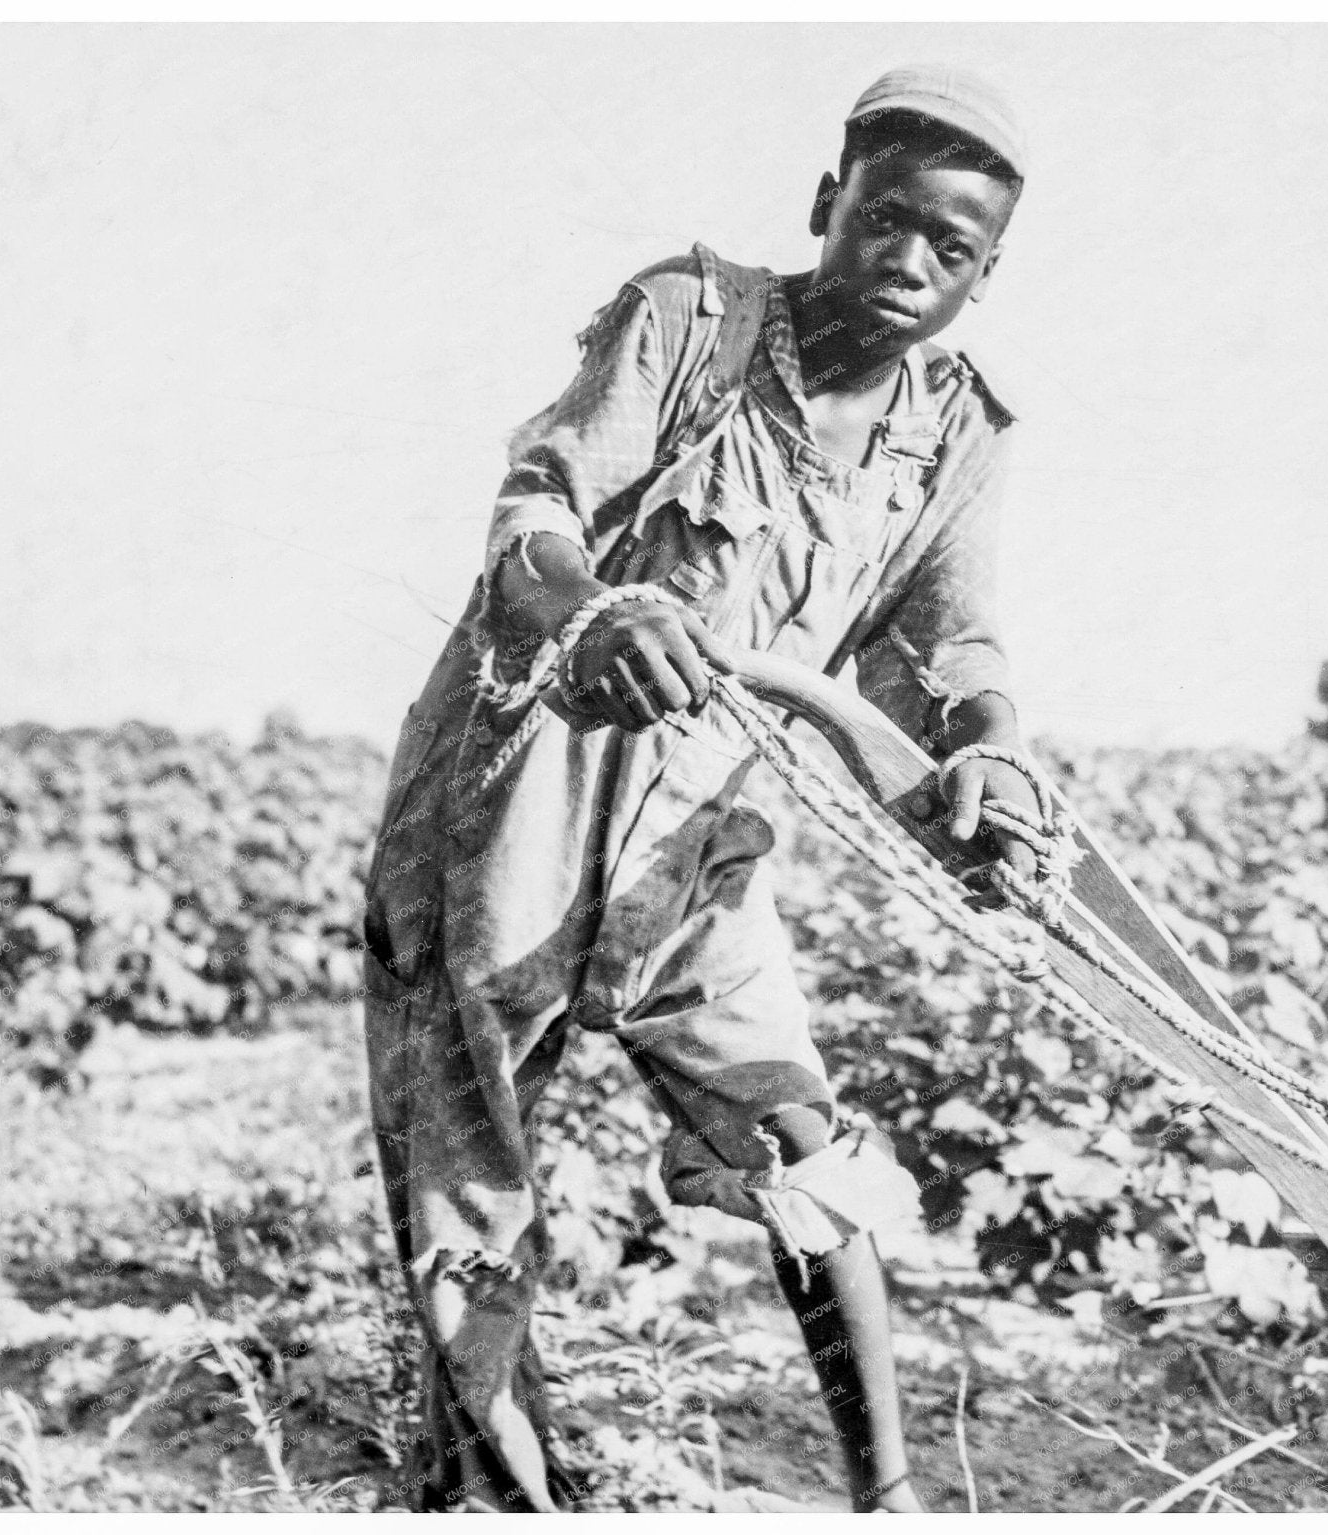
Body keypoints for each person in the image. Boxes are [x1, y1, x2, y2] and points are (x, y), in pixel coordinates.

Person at [360, 65, 1039, 1512]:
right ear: (828, 203)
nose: (909, 263)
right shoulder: (691, 320)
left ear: (986, 275)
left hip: (703, 829)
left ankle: (889, 1501)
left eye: (953, 247)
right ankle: (493, 1495)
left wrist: (987, 746)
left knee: (800, 1138)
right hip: (516, 788)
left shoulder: (958, 432)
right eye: (885, 220)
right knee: (469, 1168)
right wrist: (594, 612)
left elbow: (949, 642)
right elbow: (538, 508)